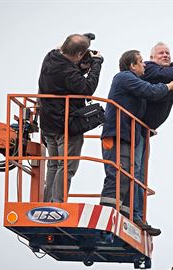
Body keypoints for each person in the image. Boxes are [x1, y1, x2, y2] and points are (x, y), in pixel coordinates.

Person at [100, 50, 173, 236]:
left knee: (132, 176)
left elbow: (154, 95)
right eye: (141, 62)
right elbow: (150, 91)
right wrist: (168, 86)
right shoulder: (124, 77)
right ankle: (107, 214)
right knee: (118, 173)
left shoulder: (132, 80)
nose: (144, 65)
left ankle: (131, 216)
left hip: (129, 135)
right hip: (117, 134)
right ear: (132, 65)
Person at [132, 42, 173, 225]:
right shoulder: (151, 70)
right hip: (135, 128)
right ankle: (133, 211)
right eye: (161, 53)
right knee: (134, 170)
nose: (165, 56)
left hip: (144, 131)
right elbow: (169, 76)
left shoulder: (168, 69)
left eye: (168, 53)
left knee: (140, 172)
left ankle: (138, 213)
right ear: (151, 57)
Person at [38, 34, 103, 203]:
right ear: (80, 54)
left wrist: (84, 43)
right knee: (67, 166)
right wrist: (96, 64)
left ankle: (48, 202)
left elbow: (67, 51)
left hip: (48, 124)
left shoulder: (50, 57)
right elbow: (87, 88)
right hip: (65, 126)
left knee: (53, 165)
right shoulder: (67, 72)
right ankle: (58, 203)